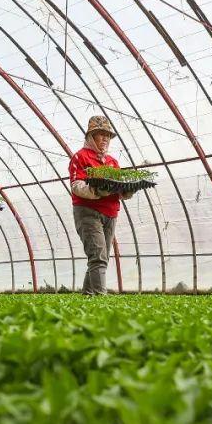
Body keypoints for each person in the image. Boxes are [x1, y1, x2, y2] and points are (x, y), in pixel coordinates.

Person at [68, 115, 134, 296]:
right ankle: (100, 299)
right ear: (91, 136)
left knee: (100, 257)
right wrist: (97, 191)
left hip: (111, 213)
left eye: (108, 136)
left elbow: (118, 188)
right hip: (88, 212)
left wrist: (127, 191)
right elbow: (76, 186)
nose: (105, 139)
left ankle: (88, 296)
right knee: (98, 256)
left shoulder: (112, 162)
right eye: (101, 134)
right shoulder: (80, 157)